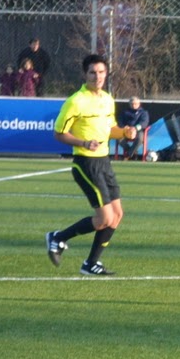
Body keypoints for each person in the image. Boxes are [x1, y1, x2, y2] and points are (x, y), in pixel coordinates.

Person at [46, 54, 135, 275]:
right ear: (85, 75)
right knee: (105, 218)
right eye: (93, 73)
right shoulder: (76, 101)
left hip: (104, 161)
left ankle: (91, 264)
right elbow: (59, 133)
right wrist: (83, 142)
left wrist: (125, 132)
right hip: (86, 163)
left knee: (117, 215)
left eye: (101, 72)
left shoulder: (107, 99)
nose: (98, 77)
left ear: (106, 73)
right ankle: (58, 237)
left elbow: (110, 129)